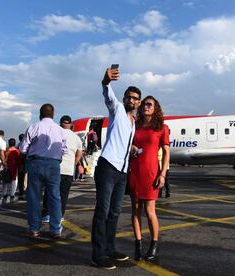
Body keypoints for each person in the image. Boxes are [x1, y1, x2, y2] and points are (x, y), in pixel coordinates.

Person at [91, 67, 141, 270]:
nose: (132, 100)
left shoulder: (134, 122)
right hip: (108, 167)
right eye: (129, 96)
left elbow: (123, 141)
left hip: (122, 171)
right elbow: (107, 94)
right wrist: (105, 81)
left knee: (115, 211)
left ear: (138, 102)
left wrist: (133, 149)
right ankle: (98, 254)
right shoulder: (117, 108)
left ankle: (110, 248)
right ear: (124, 98)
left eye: (135, 98)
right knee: (102, 211)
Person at [128, 95, 170, 261]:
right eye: (144, 104)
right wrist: (131, 147)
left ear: (155, 108)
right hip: (135, 171)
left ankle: (154, 244)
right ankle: (138, 245)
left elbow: (166, 152)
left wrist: (163, 174)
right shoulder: (134, 125)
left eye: (149, 104)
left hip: (152, 172)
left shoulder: (161, 127)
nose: (145, 106)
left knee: (150, 211)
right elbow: (127, 143)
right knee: (135, 209)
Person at [19, 104, 67, 239]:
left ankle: (34, 228)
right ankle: (56, 229)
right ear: (53, 114)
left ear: (40, 113)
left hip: (36, 163)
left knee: (34, 196)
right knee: (55, 197)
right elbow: (64, 150)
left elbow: (23, 149)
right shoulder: (60, 130)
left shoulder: (34, 127)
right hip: (54, 164)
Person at [42, 115, 83, 223]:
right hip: (68, 170)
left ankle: (47, 214)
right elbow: (79, 154)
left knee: (49, 191)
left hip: (55, 168)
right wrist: (73, 163)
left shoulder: (56, 133)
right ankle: (60, 215)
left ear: (60, 123)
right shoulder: (76, 138)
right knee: (63, 194)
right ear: (71, 125)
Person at [17, 133, 26, 199]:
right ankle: (24, 190)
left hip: (20, 163)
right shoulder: (25, 144)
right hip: (26, 163)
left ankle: (21, 191)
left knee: (21, 178)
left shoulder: (18, 145)